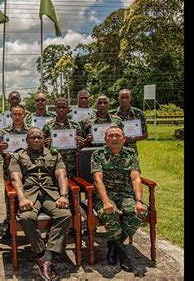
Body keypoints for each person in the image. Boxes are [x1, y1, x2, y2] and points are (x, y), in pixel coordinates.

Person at [9, 127, 72, 281]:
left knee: (65, 214)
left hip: (51, 193)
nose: (36, 140)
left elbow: (61, 175)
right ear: (26, 139)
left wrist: (63, 196)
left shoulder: (54, 154)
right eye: (32, 137)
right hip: (30, 194)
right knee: (26, 217)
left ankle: (46, 257)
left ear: (44, 139)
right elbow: (16, 179)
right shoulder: (17, 156)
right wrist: (22, 198)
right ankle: (41, 254)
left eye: (39, 137)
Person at [90, 126, 148, 272]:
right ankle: (122, 254)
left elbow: (135, 178)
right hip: (104, 194)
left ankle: (115, 245)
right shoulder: (98, 154)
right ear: (105, 139)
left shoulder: (131, 153)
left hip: (125, 195)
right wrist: (105, 201)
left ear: (124, 139)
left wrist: (139, 201)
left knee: (140, 212)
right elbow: (98, 179)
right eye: (111, 136)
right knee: (110, 213)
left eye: (118, 135)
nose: (114, 138)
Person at [0, 105, 30, 239]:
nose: (17, 117)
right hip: (9, 167)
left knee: (25, 193)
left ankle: (27, 223)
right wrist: (0, 148)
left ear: (24, 115)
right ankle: (10, 225)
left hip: (26, 168)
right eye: (14, 114)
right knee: (9, 196)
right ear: (10, 116)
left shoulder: (30, 131)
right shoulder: (5, 131)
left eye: (20, 114)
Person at [42, 98, 86, 177]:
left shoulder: (75, 125)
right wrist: (45, 144)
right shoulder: (47, 126)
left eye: (64, 107)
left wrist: (81, 143)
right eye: (59, 107)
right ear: (55, 109)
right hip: (53, 165)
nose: (61, 109)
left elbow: (81, 146)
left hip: (72, 166)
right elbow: (41, 146)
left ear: (68, 109)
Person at [110, 88, 148, 154]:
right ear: (118, 98)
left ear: (130, 99)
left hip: (131, 151)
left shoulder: (138, 114)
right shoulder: (111, 114)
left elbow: (145, 134)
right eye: (122, 97)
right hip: (114, 150)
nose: (125, 100)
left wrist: (130, 139)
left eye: (127, 97)